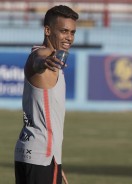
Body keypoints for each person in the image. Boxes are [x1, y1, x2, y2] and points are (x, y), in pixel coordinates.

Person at [14, 5, 78, 184]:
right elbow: (38, 61)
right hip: (42, 154)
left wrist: (56, 162)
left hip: (30, 154)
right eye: (64, 31)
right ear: (47, 30)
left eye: (72, 32)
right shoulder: (44, 55)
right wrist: (44, 61)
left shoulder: (41, 54)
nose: (69, 37)